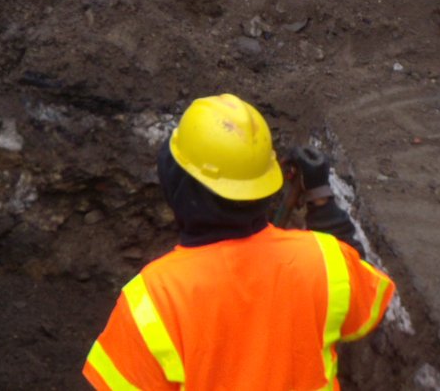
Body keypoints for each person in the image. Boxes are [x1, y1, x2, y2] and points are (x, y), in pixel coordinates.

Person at [83, 94, 395, 390]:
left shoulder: (153, 301)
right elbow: (358, 296)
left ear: (177, 186)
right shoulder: (325, 263)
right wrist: (321, 201)